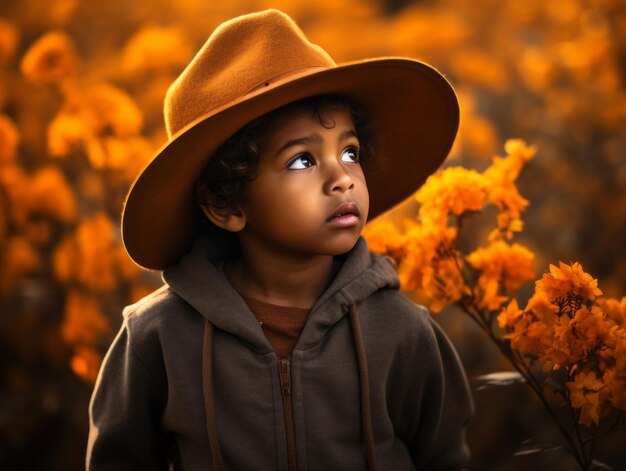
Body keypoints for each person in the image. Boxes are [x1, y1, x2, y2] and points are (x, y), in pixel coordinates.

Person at [87, 9, 473, 471]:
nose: (342, 179)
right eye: (301, 161)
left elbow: (447, 458)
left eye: (349, 152)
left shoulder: (402, 330)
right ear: (227, 205)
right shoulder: (158, 337)